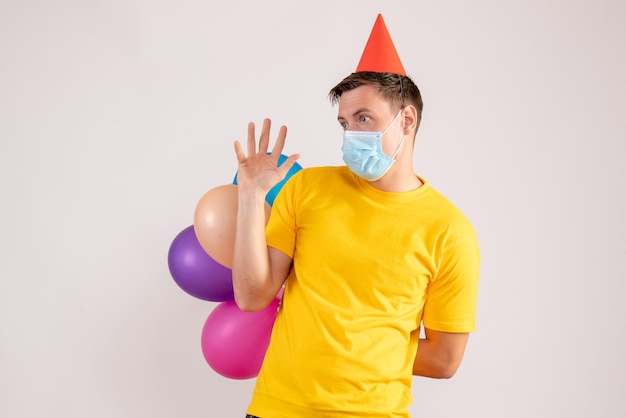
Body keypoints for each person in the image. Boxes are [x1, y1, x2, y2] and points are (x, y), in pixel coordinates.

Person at [232, 14, 480, 418]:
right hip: (277, 409)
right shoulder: (305, 189)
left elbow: (445, 360)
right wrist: (250, 196)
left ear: (406, 120)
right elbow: (251, 296)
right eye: (345, 124)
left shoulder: (450, 232)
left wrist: (360, 344)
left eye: (364, 119)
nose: (351, 135)